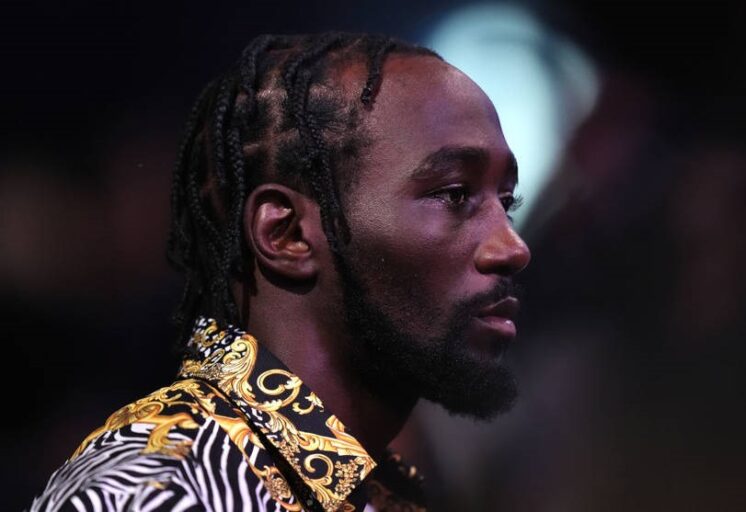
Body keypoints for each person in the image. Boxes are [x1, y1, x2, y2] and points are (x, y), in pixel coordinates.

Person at [30, 32, 530, 512]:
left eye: (506, 202)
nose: (513, 248)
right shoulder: (151, 491)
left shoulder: (385, 492)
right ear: (286, 235)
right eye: (454, 194)